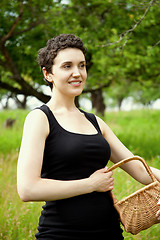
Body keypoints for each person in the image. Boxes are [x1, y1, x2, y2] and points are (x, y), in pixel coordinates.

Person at [17, 34, 160, 240]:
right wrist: (90, 184)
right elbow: (28, 189)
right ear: (48, 74)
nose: (77, 73)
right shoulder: (40, 118)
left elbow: (139, 169)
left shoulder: (95, 122)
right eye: (67, 66)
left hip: (109, 232)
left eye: (81, 65)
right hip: (60, 234)